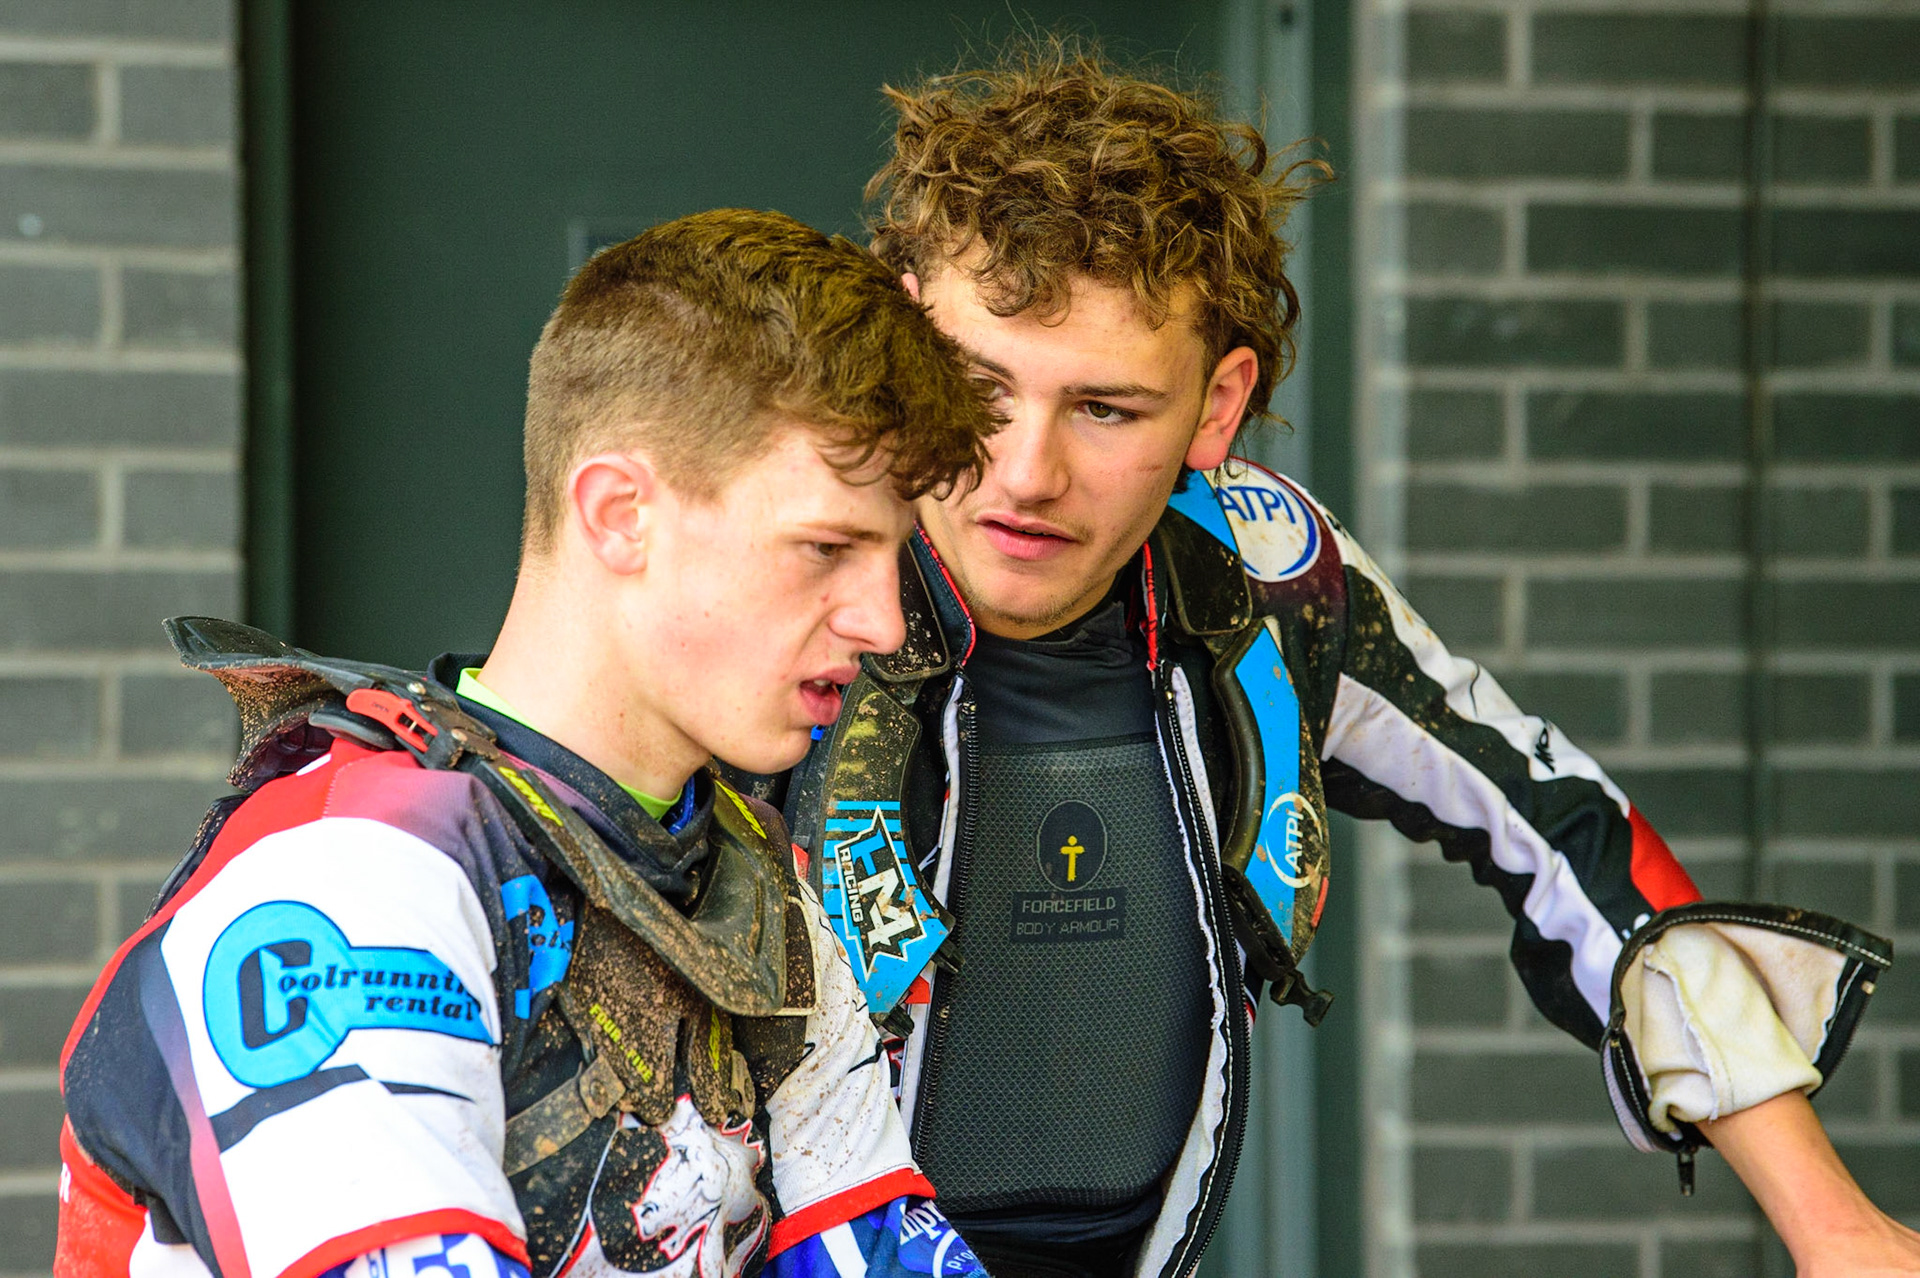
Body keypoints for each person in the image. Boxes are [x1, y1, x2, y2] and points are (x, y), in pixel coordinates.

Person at [770, 43, 1920, 1278]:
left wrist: (1831, 1223)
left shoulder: (1267, 579)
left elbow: (1561, 828)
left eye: (1106, 409)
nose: (1027, 472)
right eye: (980, 385)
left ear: (1217, 408)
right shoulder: (776, 557)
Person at [55, 210, 998, 1278]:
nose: (882, 622)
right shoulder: (358, 878)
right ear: (618, 513)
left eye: (892, 556)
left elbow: (880, 1254)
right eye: (828, 547)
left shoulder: (751, 885)